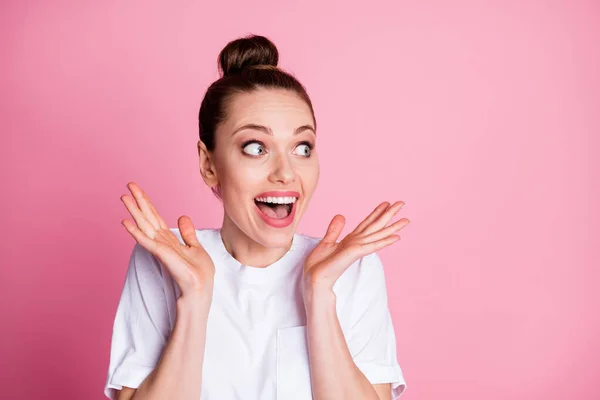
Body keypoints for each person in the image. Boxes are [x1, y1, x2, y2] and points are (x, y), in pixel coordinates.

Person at [104, 34, 410, 400]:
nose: (286, 172)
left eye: (302, 147)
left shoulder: (353, 271)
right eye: (255, 147)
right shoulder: (166, 261)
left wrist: (319, 294)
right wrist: (195, 297)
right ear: (208, 164)